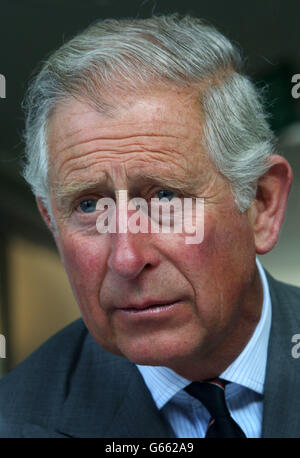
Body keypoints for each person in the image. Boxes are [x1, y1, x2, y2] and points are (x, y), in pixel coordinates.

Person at [0, 14, 299, 439]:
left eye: (165, 198)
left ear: (261, 204)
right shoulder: (14, 420)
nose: (127, 258)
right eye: (88, 205)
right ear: (50, 221)